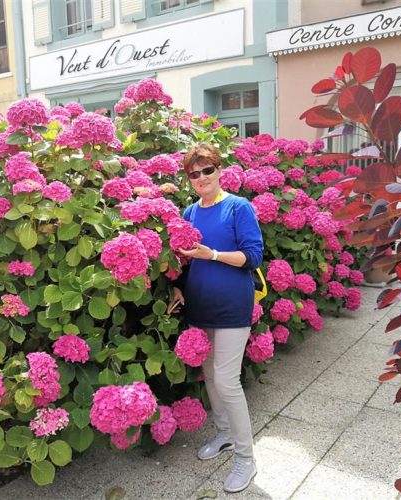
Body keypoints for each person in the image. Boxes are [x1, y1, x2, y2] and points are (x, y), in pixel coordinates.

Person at [171, 144, 263, 493]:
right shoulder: (190, 211)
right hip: (199, 303)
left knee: (227, 381)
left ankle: (245, 459)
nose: (201, 178)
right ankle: (224, 433)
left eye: (207, 170)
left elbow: (253, 256)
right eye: (194, 174)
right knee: (209, 374)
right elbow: (184, 259)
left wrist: (212, 254)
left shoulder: (239, 207)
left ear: (219, 170)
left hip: (231, 305)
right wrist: (178, 286)